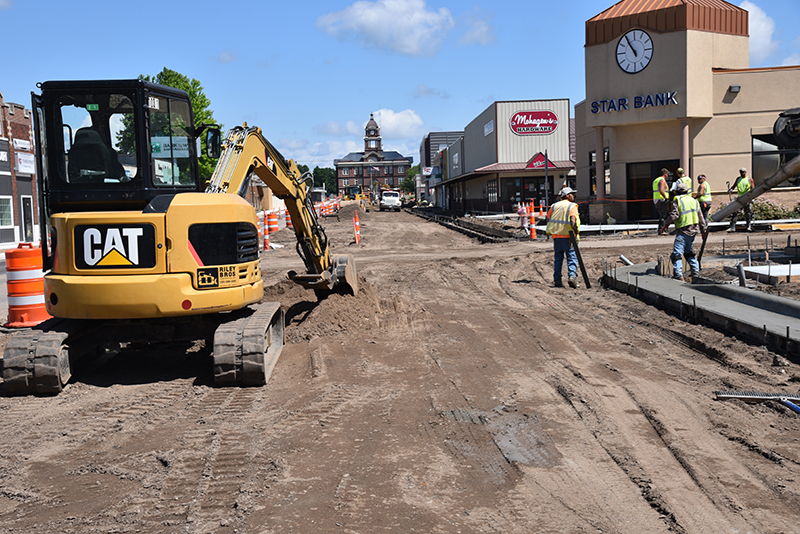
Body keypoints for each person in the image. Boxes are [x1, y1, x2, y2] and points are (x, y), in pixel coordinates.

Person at [662, 182, 708, 280]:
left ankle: (678, 274)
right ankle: (695, 271)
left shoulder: (677, 200)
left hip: (682, 231)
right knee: (688, 252)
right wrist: (703, 231)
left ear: (676, 192)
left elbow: (674, 215)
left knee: (677, 254)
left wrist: (666, 224)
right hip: (693, 231)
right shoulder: (694, 201)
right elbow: (701, 217)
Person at [545, 186, 580, 288]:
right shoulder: (572, 206)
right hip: (568, 237)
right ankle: (572, 277)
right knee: (572, 257)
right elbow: (573, 220)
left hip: (556, 236)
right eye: (572, 194)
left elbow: (547, 218)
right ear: (567, 196)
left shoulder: (554, 206)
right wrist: (576, 231)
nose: (573, 196)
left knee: (558, 259)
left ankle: (557, 280)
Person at [727, 167, 754, 232]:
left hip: (747, 198)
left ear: (745, 172)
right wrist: (731, 189)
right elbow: (733, 186)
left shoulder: (749, 179)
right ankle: (732, 227)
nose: (741, 173)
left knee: (748, 213)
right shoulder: (738, 179)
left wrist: (751, 197)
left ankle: (748, 226)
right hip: (740, 198)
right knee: (735, 212)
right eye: (741, 172)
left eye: (743, 172)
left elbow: (753, 189)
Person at [653, 168, 670, 233]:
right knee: (663, 216)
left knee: (661, 215)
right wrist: (666, 198)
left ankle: (661, 229)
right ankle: (662, 230)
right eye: (667, 174)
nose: (667, 176)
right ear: (665, 174)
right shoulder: (662, 180)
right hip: (661, 199)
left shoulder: (656, 180)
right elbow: (661, 190)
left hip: (656, 199)